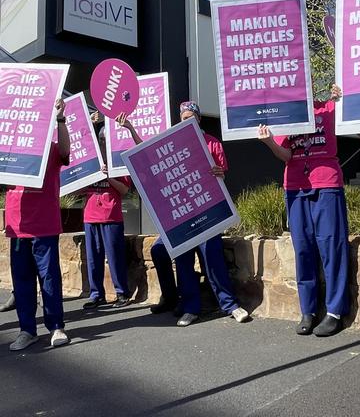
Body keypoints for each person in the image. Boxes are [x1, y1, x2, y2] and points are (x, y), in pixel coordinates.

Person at [119, 103, 249, 327]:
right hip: (182, 214)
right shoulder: (173, 143)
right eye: (182, 117)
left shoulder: (213, 143)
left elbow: (221, 176)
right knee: (183, 261)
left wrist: (220, 173)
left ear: (198, 119)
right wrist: (131, 129)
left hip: (207, 211)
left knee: (213, 259)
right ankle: (190, 308)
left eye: (190, 116)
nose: (186, 120)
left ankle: (230, 305)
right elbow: (148, 156)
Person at [258, 86, 349, 337]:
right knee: (303, 249)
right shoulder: (285, 115)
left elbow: (352, 116)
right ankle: (308, 310)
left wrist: (342, 96)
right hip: (296, 187)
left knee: (332, 247)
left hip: (327, 183)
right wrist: (268, 141)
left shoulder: (329, 107)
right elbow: (285, 154)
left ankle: (335, 312)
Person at [6, 98, 70, 351]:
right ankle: (26, 330)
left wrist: (60, 118)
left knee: (50, 279)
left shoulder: (51, 149)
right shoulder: (9, 150)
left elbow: (65, 151)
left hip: (44, 225)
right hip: (17, 227)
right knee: (22, 282)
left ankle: (56, 327)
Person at [81, 125, 132, 310]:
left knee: (115, 257)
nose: (103, 143)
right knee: (93, 258)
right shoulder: (89, 161)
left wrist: (108, 176)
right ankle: (96, 295)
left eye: (105, 140)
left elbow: (125, 190)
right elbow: (78, 189)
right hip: (90, 215)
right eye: (101, 140)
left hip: (111, 216)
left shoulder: (118, 160)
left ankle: (122, 293)